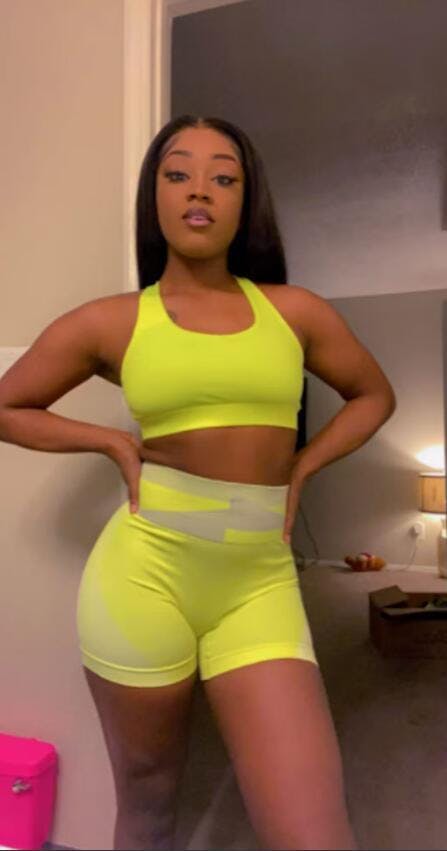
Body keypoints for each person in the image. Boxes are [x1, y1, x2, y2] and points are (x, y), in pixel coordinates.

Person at [0, 114, 396, 851]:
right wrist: (109, 441)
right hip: (144, 575)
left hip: (258, 582)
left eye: (224, 177)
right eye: (178, 173)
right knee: (149, 802)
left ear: (246, 201)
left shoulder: (295, 311)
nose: (199, 190)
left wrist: (303, 465)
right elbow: (7, 406)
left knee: (313, 832)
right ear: (153, 196)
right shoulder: (113, 321)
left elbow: (373, 395)